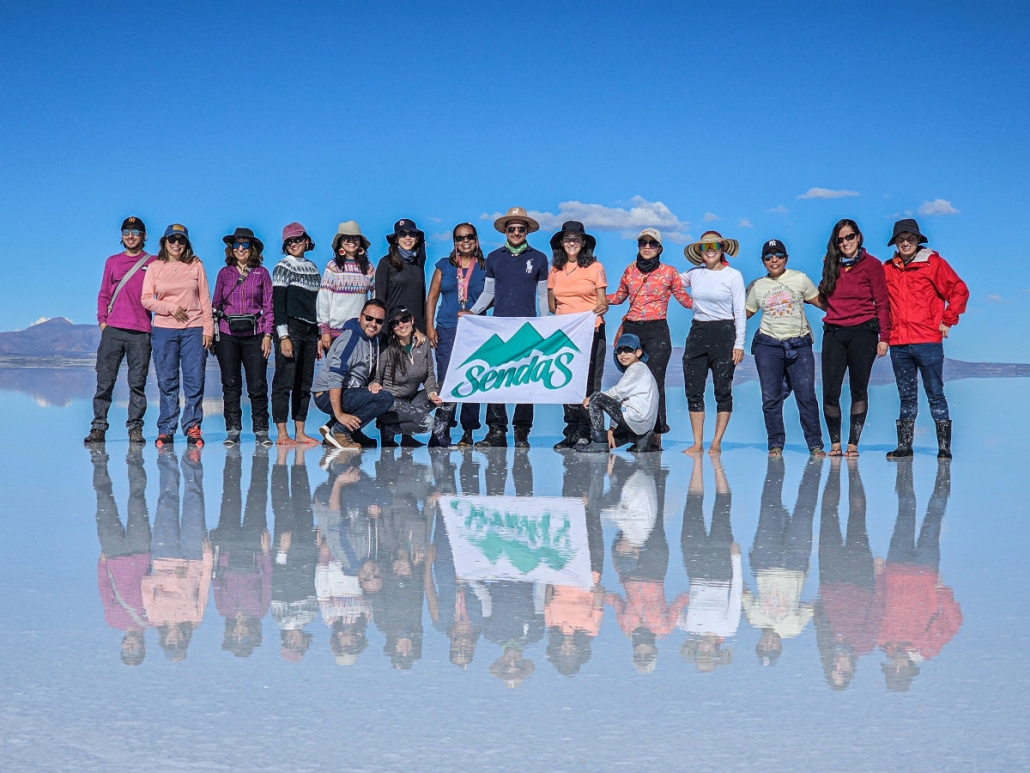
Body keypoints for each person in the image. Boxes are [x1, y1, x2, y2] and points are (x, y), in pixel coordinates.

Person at [882, 218, 969, 460]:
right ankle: (904, 447)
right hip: (899, 343)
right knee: (906, 395)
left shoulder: (933, 264)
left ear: (919, 240)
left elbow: (959, 290)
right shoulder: (887, 268)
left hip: (928, 341)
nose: (906, 242)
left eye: (910, 238)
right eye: (901, 239)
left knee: (935, 391)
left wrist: (948, 319)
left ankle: (944, 448)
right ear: (895, 243)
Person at [467, 206, 550, 449]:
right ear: (505, 230)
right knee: (496, 379)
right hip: (499, 326)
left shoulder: (539, 258)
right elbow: (488, 293)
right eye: (511, 228)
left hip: (527, 328)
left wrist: (544, 325)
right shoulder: (494, 258)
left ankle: (522, 432)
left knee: (525, 381)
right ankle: (496, 431)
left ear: (527, 232)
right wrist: (472, 312)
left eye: (520, 229)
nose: (516, 232)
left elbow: (543, 296)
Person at [606, 228, 693, 446]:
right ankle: (630, 430)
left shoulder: (669, 272)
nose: (646, 247)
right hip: (632, 330)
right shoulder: (630, 270)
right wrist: (591, 296)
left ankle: (655, 435)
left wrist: (716, 306)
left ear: (659, 248)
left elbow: (685, 300)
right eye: (642, 243)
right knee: (631, 381)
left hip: (657, 330)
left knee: (655, 381)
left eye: (652, 243)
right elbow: (618, 297)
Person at [745, 239, 826, 456]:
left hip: (799, 344)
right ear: (763, 261)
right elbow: (745, 313)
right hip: (768, 345)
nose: (774, 260)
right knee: (771, 397)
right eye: (769, 256)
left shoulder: (799, 279)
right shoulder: (757, 286)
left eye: (778, 255)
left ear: (786, 258)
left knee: (806, 395)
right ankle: (775, 444)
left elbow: (823, 303)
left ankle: (815, 445)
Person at [818, 219, 891, 457]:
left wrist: (884, 337)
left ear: (858, 237)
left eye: (849, 237)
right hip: (834, 332)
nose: (845, 242)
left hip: (863, 332)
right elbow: (825, 296)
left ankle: (853, 445)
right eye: (840, 239)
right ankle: (835, 444)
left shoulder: (873, 265)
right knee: (830, 390)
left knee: (859, 389)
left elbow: (882, 303)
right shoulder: (830, 264)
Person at [141, 224, 214, 448]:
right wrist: (171, 308)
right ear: (164, 242)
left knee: (194, 380)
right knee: (168, 381)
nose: (176, 244)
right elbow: (146, 299)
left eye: (180, 240)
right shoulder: (155, 267)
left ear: (186, 243)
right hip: (164, 329)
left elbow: (204, 299)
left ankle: (192, 426)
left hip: (194, 328)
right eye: (171, 240)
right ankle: (166, 429)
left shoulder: (195, 265)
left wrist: (208, 329)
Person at [85, 216, 156, 446]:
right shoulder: (112, 262)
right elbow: (104, 293)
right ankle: (98, 427)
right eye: (126, 231)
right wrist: (103, 322)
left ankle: (135, 428)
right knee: (105, 381)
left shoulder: (154, 262)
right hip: (113, 330)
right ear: (121, 235)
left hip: (140, 331)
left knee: (137, 383)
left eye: (136, 231)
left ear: (144, 236)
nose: (131, 235)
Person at [680, 231, 746, 455]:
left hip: (724, 332)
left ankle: (716, 443)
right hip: (698, 331)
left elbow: (740, 311)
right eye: (704, 246)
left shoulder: (733, 275)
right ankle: (697, 443)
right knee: (694, 390)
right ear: (699, 251)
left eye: (714, 245)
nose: (709, 249)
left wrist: (739, 344)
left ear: (722, 249)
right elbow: (667, 281)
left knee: (722, 390)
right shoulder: (694, 274)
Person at [548, 221, 608, 449]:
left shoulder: (595, 267)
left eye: (576, 239)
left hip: (591, 331)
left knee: (590, 383)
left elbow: (602, 302)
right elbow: (553, 304)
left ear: (583, 243)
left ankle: (587, 430)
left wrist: (597, 310)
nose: (571, 243)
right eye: (567, 239)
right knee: (566, 381)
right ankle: (571, 430)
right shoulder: (555, 270)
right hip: (565, 334)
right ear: (561, 244)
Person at [316, 221, 377, 448]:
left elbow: (373, 298)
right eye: (346, 238)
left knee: (359, 381)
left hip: (362, 332)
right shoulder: (333, 267)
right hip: (337, 332)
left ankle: (348, 429)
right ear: (340, 243)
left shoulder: (368, 269)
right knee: (340, 379)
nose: (350, 241)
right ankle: (338, 427)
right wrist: (324, 331)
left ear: (360, 243)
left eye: (354, 238)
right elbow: (324, 299)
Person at [425, 223, 486, 448]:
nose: (465, 241)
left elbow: (492, 297)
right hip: (448, 327)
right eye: (460, 238)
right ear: (455, 243)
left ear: (476, 240)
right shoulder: (444, 265)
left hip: (476, 330)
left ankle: (468, 431)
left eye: (469, 237)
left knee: (473, 377)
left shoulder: (484, 266)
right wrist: (430, 328)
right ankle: (442, 429)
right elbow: (431, 297)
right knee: (447, 379)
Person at [211, 227, 273, 446]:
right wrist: (213, 333)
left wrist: (268, 335)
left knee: (257, 384)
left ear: (252, 248)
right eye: (236, 245)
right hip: (227, 334)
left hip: (255, 334)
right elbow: (215, 304)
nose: (240, 249)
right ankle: (233, 430)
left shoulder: (262, 273)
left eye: (245, 245)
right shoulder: (224, 273)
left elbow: (268, 307)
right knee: (230, 383)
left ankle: (261, 430)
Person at [310, 298, 395, 450]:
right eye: (369, 318)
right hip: (325, 394)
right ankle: (340, 431)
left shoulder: (374, 340)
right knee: (384, 399)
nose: (373, 324)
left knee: (376, 393)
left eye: (379, 321)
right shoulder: (351, 339)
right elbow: (335, 378)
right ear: (360, 317)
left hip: (346, 391)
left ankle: (337, 429)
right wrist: (340, 415)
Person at [271, 222, 322, 447]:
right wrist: (283, 336)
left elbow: (319, 305)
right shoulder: (282, 266)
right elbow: (278, 305)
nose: (294, 244)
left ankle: (300, 430)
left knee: (304, 381)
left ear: (306, 241)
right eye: (289, 241)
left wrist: (320, 335)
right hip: (290, 327)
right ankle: (282, 432)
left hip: (311, 329)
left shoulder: (313, 268)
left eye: (298, 239)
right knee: (284, 380)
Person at [373, 305, 442, 447]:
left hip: (411, 401)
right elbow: (376, 378)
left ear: (412, 320)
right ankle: (388, 429)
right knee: (426, 423)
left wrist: (432, 393)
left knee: (445, 388)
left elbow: (429, 374)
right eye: (395, 323)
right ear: (391, 327)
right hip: (390, 404)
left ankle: (439, 438)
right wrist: (373, 384)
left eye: (404, 319)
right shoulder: (387, 349)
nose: (401, 325)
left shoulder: (423, 344)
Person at [578, 333, 659, 453]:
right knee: (612, 438)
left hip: (636, 418)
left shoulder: (637, 369)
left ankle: (599, 443)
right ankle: (640, 438)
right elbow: (621, 403)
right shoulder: (641, 369)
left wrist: (591, 398)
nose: (622, 354)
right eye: (619, 351)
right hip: (643, 424)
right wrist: (611, 429)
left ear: (638, 352)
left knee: (597, 397)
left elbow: (617, 393)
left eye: (628, 350)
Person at [375, 218, 428, 333]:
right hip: (394, 328)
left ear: (417, 238)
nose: (407, 238)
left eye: (412, 234)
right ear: (396, 239)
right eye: (402, 234)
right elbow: (380, 299)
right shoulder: (385, 263)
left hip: (417, 330)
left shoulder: (418, 265)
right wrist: (384, 331)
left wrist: (425, 328)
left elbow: (422, 299)